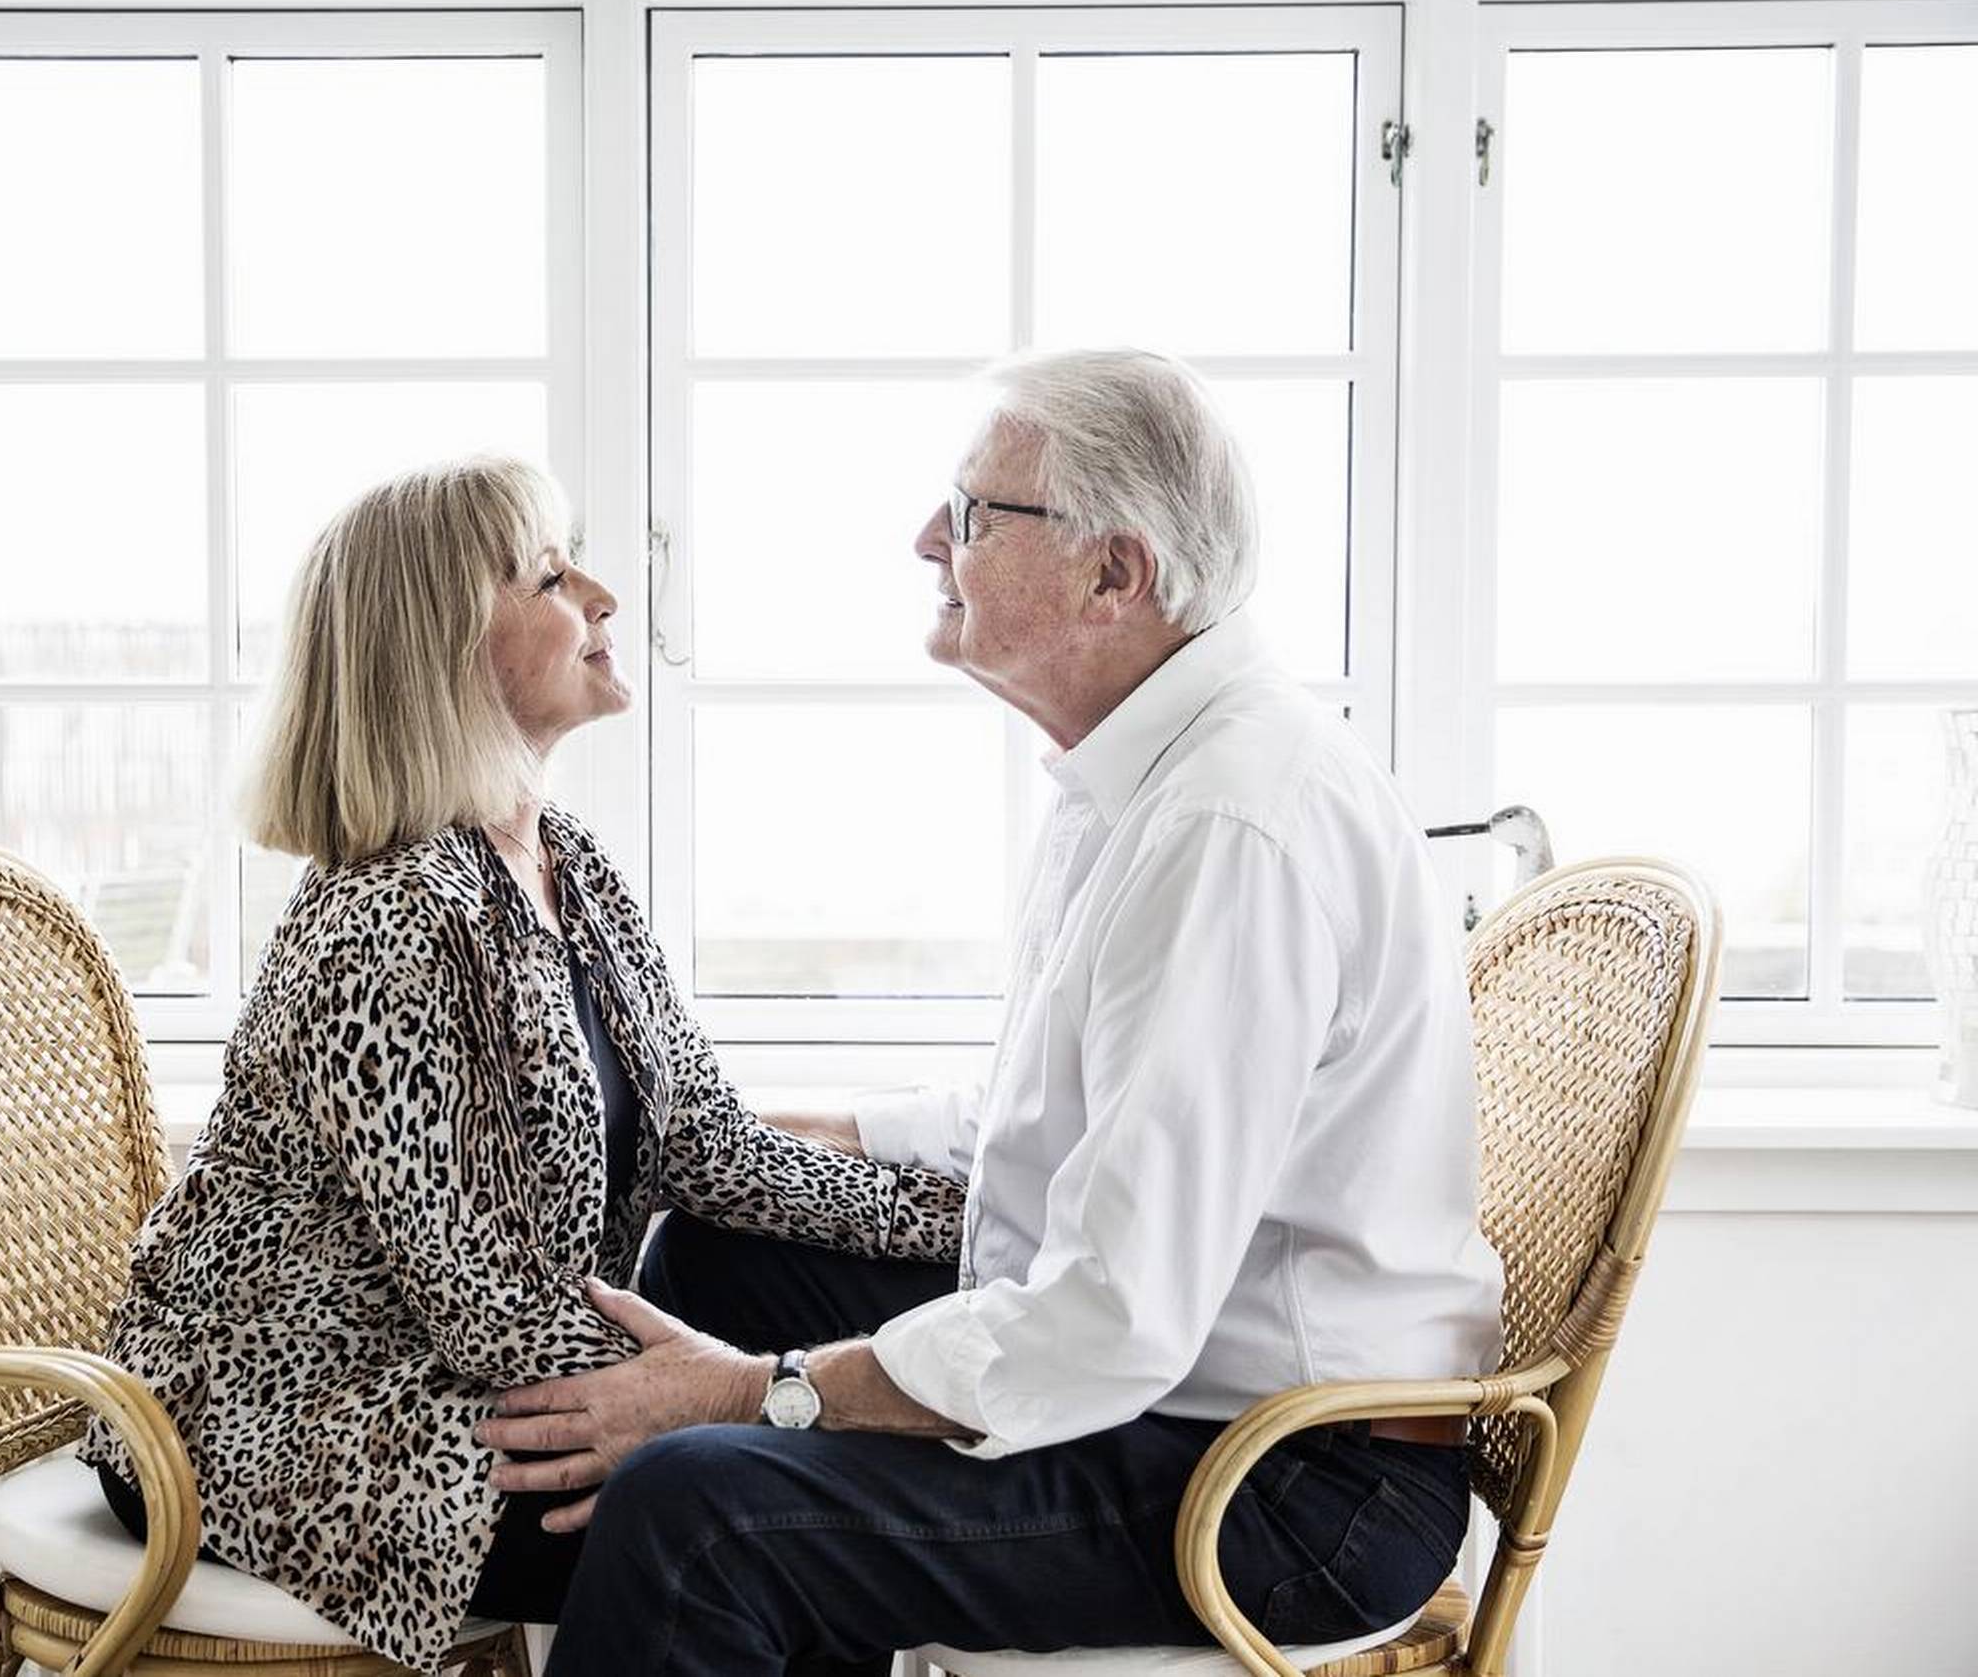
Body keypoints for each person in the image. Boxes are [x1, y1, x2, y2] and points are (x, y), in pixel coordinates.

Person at [479, 350, 1509, 1677]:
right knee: (716, 1253)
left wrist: (754, 1390)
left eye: (973, 513)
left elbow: (1111, 1321)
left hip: (1283, 1481)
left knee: (697, 1514)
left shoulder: (1229, 827)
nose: (928, 539)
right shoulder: (1133, 772)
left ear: (1113, 572)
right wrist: (788, 1138)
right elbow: (1066, 1114)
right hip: (1184, 1385)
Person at [75, 455, 965, 1675]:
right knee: (787, 1513)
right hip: (289, 1422)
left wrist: (975, 1227)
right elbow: (484, 1298)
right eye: (550, 577)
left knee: (804, 1447)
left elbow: (709, 1145)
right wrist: (759, 1394)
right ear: (443, 652)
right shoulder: (384, 920)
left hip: (460, 1374)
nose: (601, 595)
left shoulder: (567, 864)